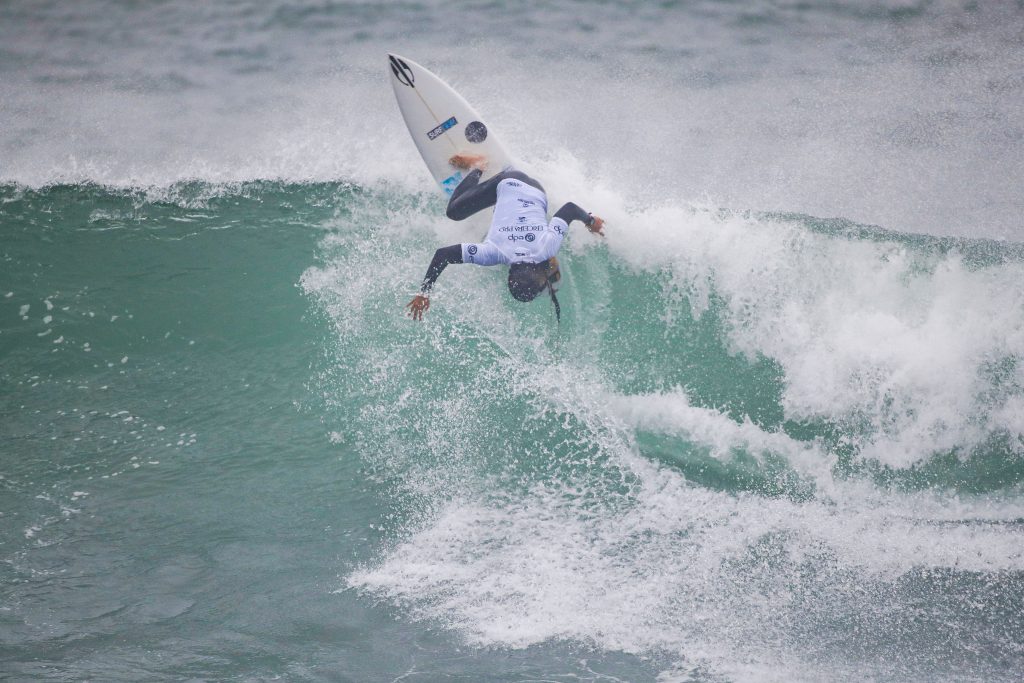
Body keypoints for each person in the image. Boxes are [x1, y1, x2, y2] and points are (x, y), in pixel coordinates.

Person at [406, 153, 605, 322]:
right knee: (454, 212)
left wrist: (590, 221)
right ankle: (478, 167)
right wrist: (424, 292)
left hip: (537, 190)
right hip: (509, 182)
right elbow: (443, 255)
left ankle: (488, 168)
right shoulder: (492, 253)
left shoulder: (548, 248)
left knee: (496, 213)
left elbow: (569, 208)